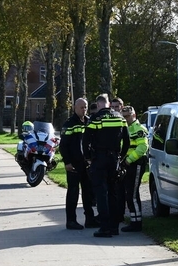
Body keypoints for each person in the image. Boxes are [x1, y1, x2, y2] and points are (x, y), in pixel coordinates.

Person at [82, 94, 130, 238]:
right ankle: (114, 227)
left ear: (98, 104)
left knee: (101, 193)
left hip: (99, 159)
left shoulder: (95, 118)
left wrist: (88, 158)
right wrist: (121, 157)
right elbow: (127, 141)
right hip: (114, 158)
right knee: (113, 193)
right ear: (108, 104)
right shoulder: (120, 118)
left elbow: (85, 141)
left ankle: (105, 228)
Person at [60, 98, 97, 230]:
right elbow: (63, 145)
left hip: (86, 163)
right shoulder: (70, 123)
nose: (84, 110)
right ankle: (71, 221)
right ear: (75, 108)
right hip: (74, 164)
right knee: (73, 193)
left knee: (88, 192)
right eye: (81, 107)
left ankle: (90, 219)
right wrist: (67, 162)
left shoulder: (89, 122)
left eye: (85, 107)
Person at [119, 106, 149, 232]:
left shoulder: (139, 129)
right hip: (127, 164)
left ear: (134, 115)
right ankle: (134, 220)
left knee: (133, 194)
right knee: (130, 193)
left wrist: (129, 160)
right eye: (124, 116)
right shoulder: (124, 128)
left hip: (136, 163)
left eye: (128, 116)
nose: (126, 119)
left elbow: (143, 147)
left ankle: (137, 223)